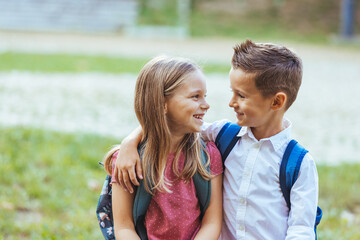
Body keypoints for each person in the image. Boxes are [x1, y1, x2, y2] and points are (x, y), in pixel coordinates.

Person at [113, 40, 319, 239]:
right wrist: (129, 142)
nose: (231, 103)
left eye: (241, 95)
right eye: (232, 93)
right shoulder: (225, 136)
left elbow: (301, 229)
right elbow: (166, 123)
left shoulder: (299, 164)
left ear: (277, 101)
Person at [103, 55, 223, 240]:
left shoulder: (208, 156)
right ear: (162, 103)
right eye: (195, 96)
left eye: (204, 96)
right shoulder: (127, 161)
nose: (206, 105)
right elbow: (124, 227)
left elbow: (212, 222)